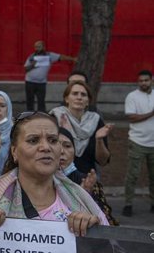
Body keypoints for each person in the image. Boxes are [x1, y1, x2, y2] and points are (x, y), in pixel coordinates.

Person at [0, 111, 109, 245]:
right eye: (33, 140)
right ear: (14, 152)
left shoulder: (81, 202)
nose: (45, 147)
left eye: (52, 140)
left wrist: (97, 237)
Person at [49, 81, 112, 175]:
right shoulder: (55, 118)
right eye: (75, 94)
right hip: (57, 178)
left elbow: (102, 161)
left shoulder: (95, 120)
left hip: (86, 180)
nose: (79, 97)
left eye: (83, 95)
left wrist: (99, 140)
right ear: (66, 99)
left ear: (88, 101)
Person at [58, 127, 118, 225]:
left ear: (74, 152)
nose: (62, 151)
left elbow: (107, 223)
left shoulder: (86, 181)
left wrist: (86, 196)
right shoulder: (36, 181)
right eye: (55, 144)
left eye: (67, 146)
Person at [122, 69, 154, 216]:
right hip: (137, 142)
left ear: (151, 80)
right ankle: (128, 204)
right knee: (132, 175)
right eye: (141, 81)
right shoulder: (132, 96)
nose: (143, 83)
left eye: (146, 80)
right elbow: (132, 117)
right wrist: (151, 113)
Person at [24, 40, 77, 111]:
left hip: (41, 83)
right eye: (36, 47)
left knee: (41, 101)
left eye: (39, 47)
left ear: (43, 47)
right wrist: (32, 65)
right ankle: (29, 116)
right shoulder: (31, 56)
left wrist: (73, 59)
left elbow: (61, 57)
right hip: (30, 82)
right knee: (30, 101)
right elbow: (26, 69)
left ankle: (42, 117)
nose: (37, 49)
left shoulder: (49, 56)